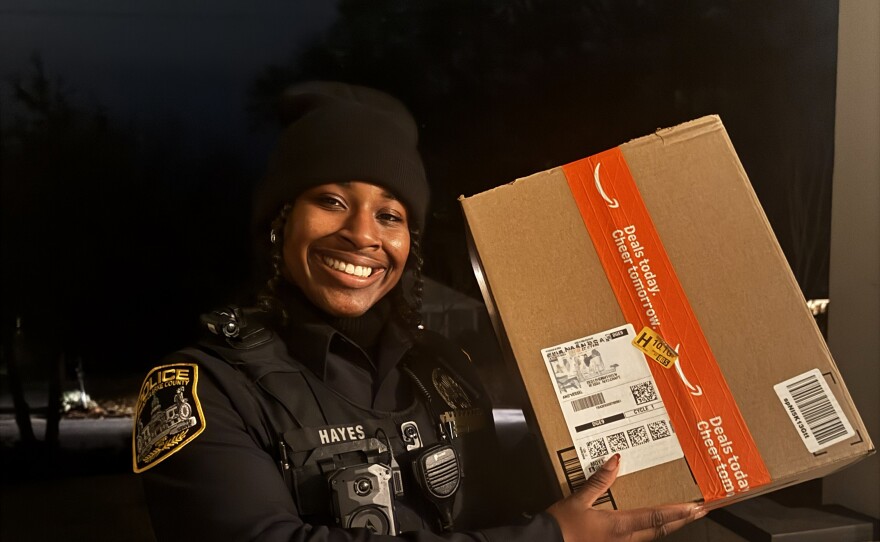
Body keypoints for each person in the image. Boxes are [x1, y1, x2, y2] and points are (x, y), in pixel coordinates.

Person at [132, 81, 705, 541]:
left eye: (390, 215)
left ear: (411, 242)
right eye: (331, 201)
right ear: (279, 222)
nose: (362, 234)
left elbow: (510, 505)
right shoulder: (202, 390)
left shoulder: (442, 369)